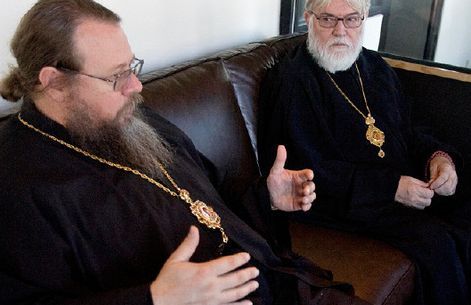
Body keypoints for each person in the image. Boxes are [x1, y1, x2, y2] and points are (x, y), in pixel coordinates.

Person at [0, 1, 373, 304]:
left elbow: (211, 194)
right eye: (116, 76)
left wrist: (266, 197)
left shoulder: (133, 118)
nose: (135, 86)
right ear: (54, 83)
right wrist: (155, 299)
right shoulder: (16, 181)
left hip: (272, 280)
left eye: (132, 67)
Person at [258, 0, 471, 305]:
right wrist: (390, 188)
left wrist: (439, 160)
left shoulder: (374, 68)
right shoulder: (292, 81)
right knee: (440, 248)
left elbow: (409, 131)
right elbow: (306, 169)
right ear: (308, 19)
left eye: (352, 19)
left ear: (364, 19)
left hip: (401, 187)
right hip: (344, 204)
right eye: (329, 18)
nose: (340, 30)